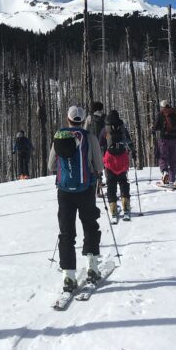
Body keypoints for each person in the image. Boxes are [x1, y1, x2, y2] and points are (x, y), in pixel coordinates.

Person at [48, 105, 104, 292]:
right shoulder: (90, 137)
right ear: (82, 120)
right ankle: (92, 267)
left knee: (66, 231)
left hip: (64, 191)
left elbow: (51, 166)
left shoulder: (59, 136)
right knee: (89, 225)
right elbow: (99, 165)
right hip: (86, 189)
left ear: (68, 119)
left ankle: (68, 276)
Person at [101, 109, 135, 218]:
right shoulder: (123, 128)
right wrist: (134, 152)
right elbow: (129, 142)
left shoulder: (105, 129)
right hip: (122, 158)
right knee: (123, 182)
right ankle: (125, 203)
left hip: (109, 159)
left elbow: (99, 143)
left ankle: (113, 207)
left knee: (111, 183)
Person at [153, 100, 176, 187]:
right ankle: (172, 181)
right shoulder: (174, 114)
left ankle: (164, 172)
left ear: (162, 106)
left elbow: (155, 127)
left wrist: (153, 129)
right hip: (174, 140)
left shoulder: (161, 114)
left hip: (164, 139)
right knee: (173, 160)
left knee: (162, 157)